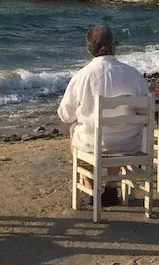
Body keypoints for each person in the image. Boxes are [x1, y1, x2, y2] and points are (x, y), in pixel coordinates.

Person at [58, 25, 149, 206]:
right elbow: (145, 110)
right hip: (129, 144)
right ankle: (111, 185)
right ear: (114, 45)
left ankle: (92, 188)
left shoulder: (82, 76)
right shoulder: (133, 74)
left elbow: (65, 115)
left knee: (76, 132)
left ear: (88, 49)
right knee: (115, 133)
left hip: (94, 145)